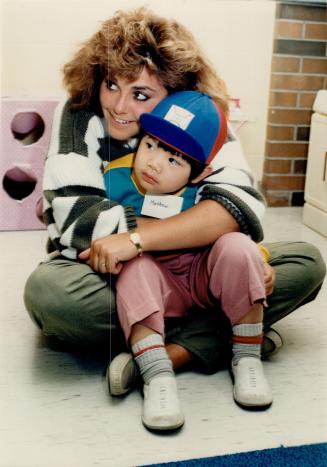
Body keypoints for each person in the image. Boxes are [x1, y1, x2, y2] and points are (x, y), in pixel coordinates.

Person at [23, 6, 325, 425]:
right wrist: (195, 228)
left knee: (304, 262)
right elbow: (80, 222)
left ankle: (162, 354)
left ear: (177, 92)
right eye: (111, 84)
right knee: (51, 295)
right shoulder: (78, 113)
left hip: (193, 270)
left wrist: (135, 238)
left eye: (141, 94)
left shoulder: (202, 118)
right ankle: (230, 335)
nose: (119, 106)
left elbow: (240, 207)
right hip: (113, 274)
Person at [104, 89, 274, 431]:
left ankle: (247, 358)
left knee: (241, 249)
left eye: (173, 159)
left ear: (199, 173)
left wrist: (262, 261)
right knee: (134, 266)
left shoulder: (208, 189)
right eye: (150, 145)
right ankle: (157, 376)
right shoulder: (115, 176)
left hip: (202, 276)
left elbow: (241, 232)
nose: (153, 163)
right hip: (156, 286)